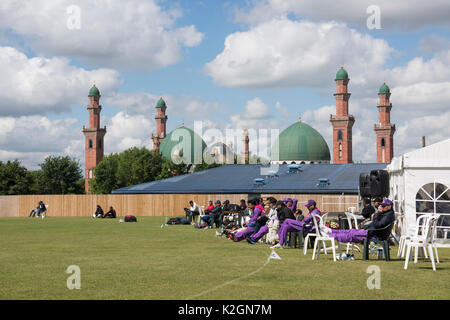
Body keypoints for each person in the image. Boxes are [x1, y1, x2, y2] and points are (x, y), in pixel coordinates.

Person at [328, 199, 396, 244]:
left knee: (351, 235)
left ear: (389, 206)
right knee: (351, 231)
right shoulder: (386, 214)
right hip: (370, 232)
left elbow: (376, 225)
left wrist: (377, 214)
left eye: (383, 206)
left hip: (373, 235)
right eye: (381, 205)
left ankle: (330, 235)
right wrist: (365, 227)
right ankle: (329, 231)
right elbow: (374, 224)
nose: (381, 206)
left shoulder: (388, 216)